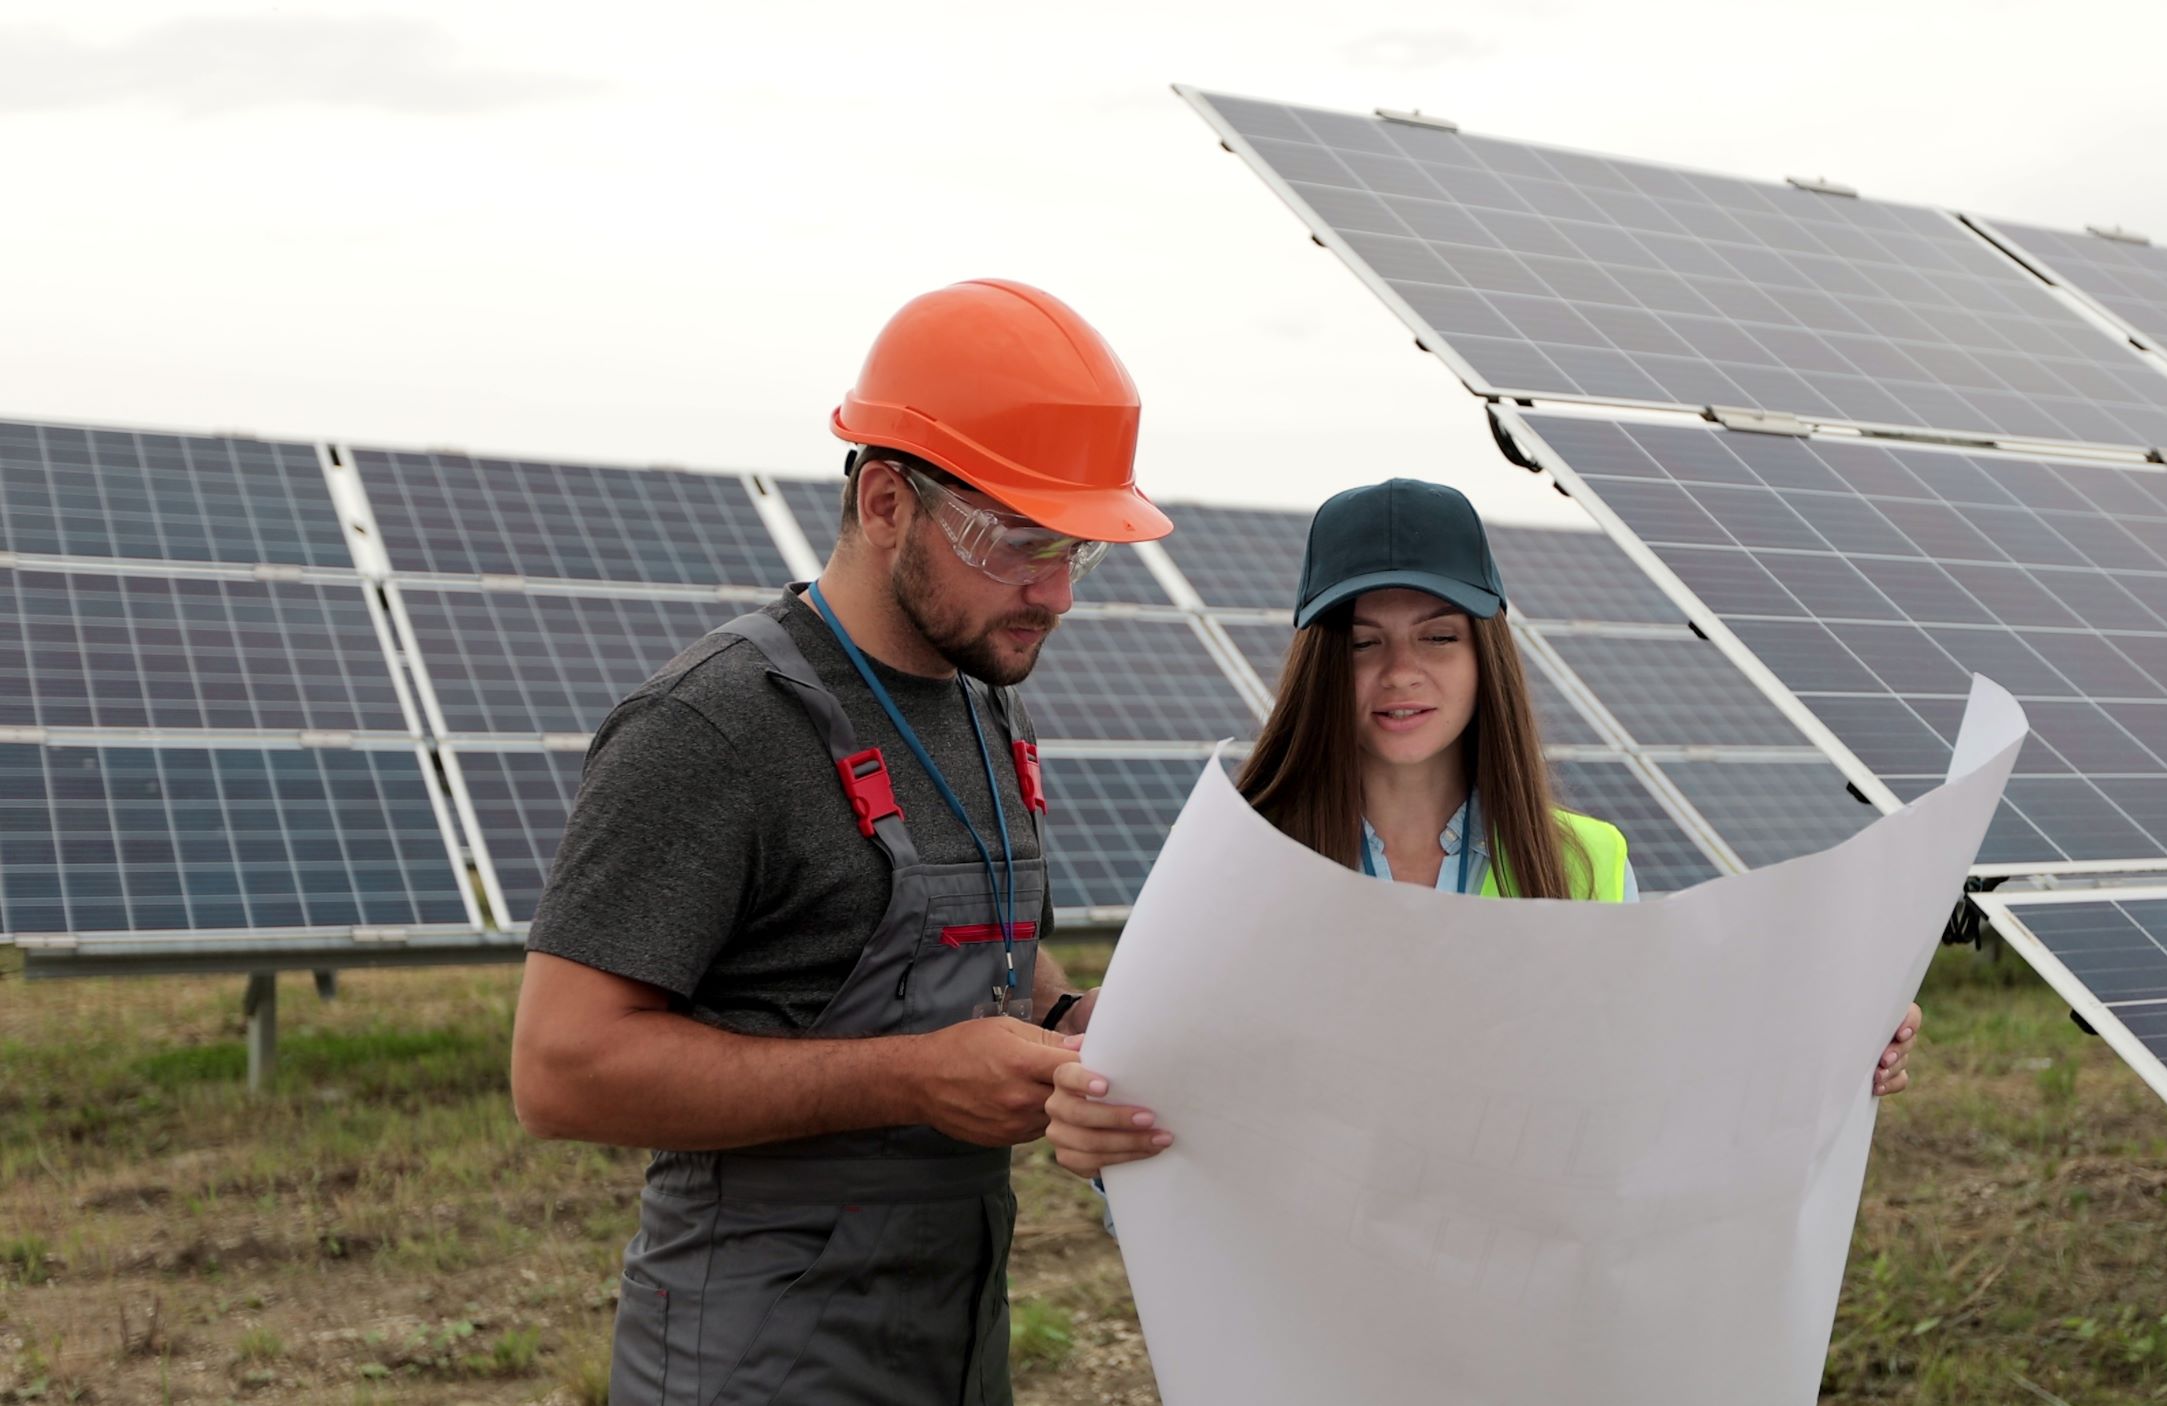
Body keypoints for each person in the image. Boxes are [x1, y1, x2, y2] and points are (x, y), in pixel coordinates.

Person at [508, 279, 1169, 1406]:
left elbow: (980, 951)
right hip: (755, 1362)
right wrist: (914, 1076)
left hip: (952, 1341)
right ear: (883, 502)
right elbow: (560, 1068)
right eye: (1021, 540)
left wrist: (1074, 1021)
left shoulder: (982, 700)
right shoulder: (713, 726)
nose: (1056, 592)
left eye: (1079, 551)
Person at [1043, 478, 1922, 1179]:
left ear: (1484, 653)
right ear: (1320, 662)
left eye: (1437, 636)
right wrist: (1098, 1144)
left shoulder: (1586, 863)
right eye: (1363, 642)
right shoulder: (1239, 865)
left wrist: (1840, 1042)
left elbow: (1652, 1080)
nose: (1401, 674)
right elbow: (1170, 1121)